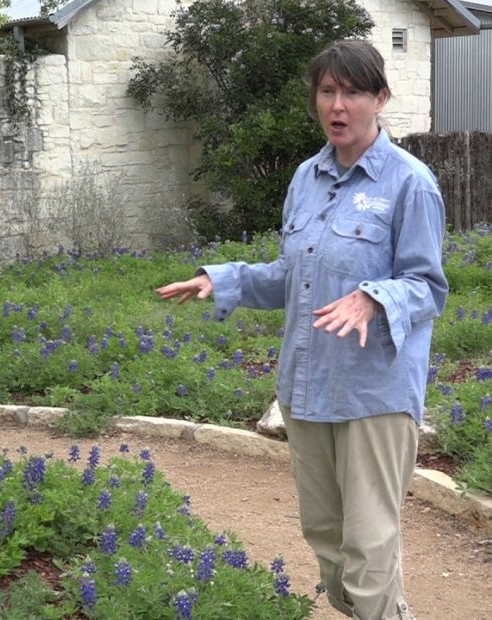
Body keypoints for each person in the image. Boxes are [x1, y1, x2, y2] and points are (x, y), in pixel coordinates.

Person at [156, 39, 447, 620]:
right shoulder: (307, 178)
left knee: (368, 546)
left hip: (373, 396)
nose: (338, 105)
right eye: (327, 91)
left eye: (353, 92)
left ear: (380, 99)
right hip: (309, 389)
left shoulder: (410, 184)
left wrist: (371, 298)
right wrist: (226, 280)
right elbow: (293, 276)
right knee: (328, 543)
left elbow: (427, 287)